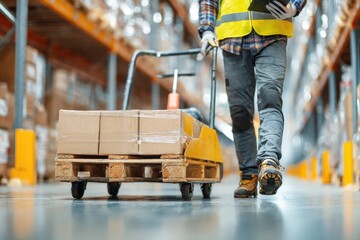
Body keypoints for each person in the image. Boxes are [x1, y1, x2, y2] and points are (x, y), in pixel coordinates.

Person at [198, 0, 306, 197]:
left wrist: (294, 6)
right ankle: (248, 174)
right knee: (240, 111)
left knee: (270, 96)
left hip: (272, 31)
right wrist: (206, 29)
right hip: (232, 38)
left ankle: (269, 162)